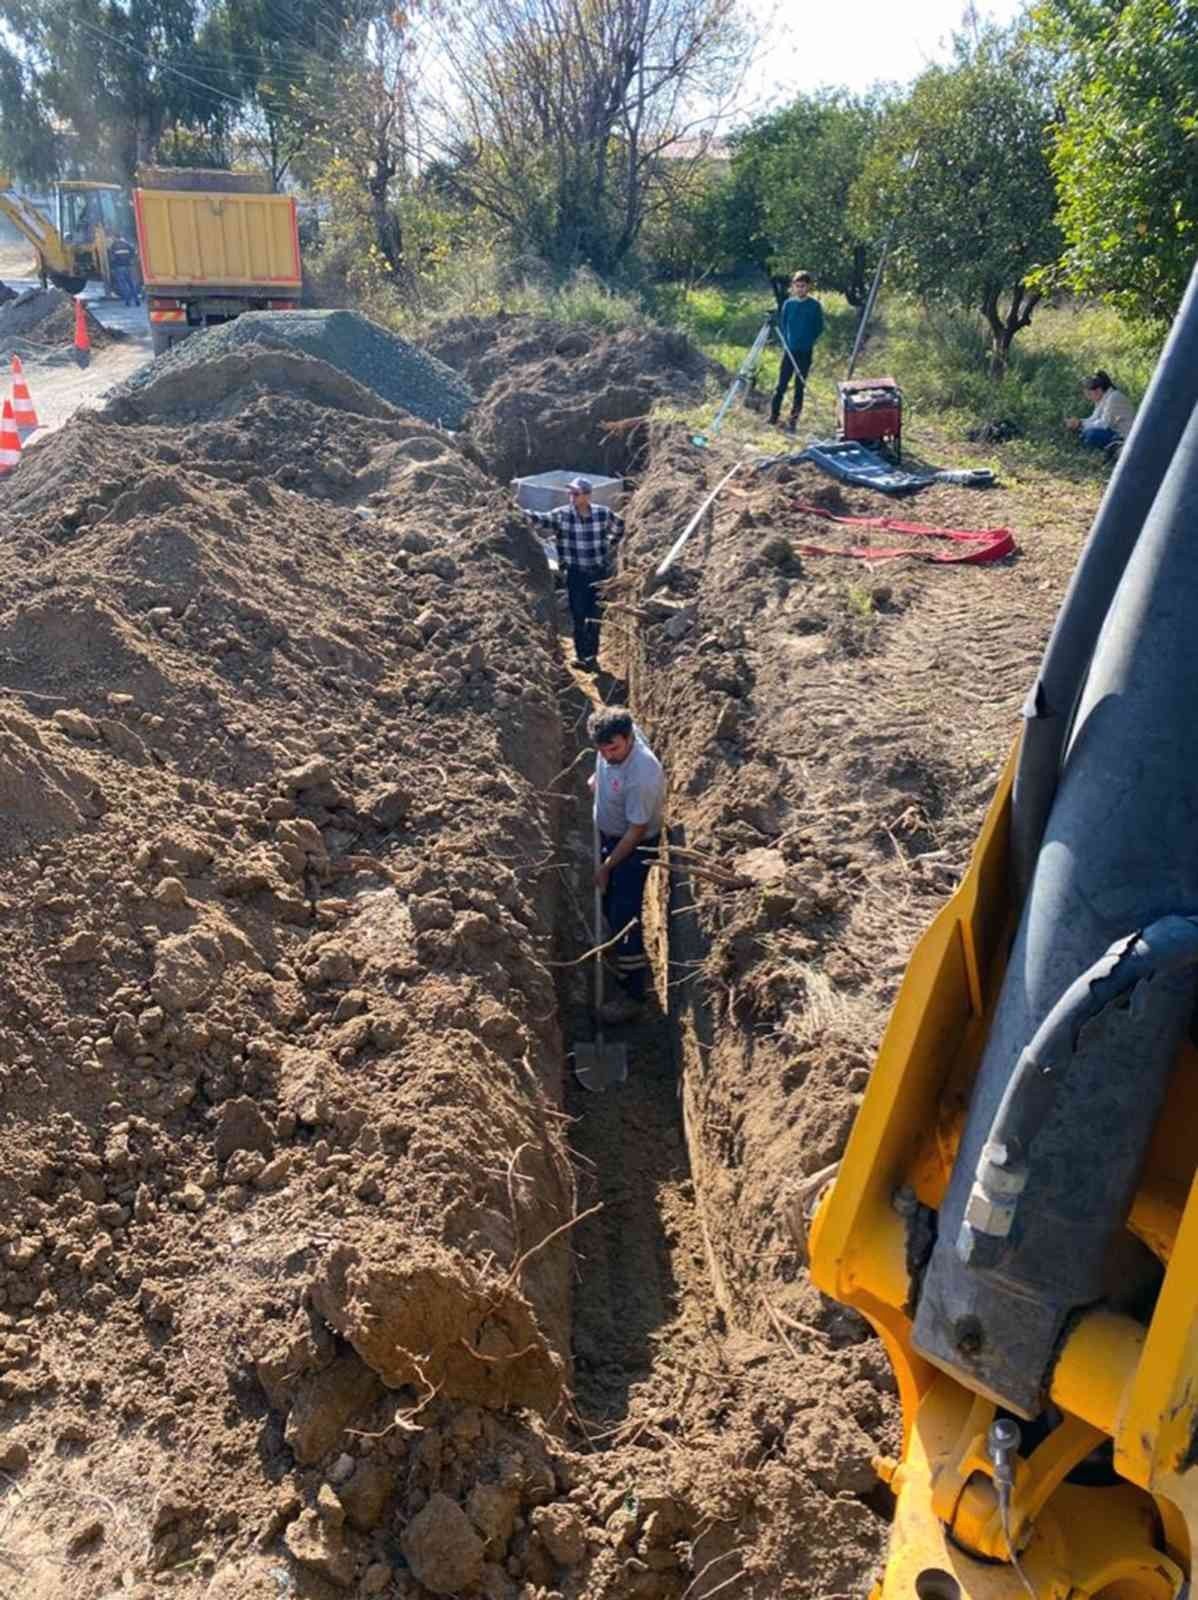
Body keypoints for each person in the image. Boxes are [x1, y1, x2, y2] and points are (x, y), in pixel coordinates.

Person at [589, 706, 666, 1024]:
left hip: (633, 847)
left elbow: (636, 831)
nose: (608, 756)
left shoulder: (644, 774)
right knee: (609, 903)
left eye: (614, 749)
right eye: (602, 750)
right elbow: (604, 765)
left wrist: (607, 866)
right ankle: (617, 950)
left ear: (630, 738)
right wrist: (597, 780)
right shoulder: (612, 745)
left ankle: (633, 993)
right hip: (612, 836)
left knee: (624, 917)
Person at [521, 478, 624, 671]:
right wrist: (517, 511)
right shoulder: (562, 515)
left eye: (575, 494)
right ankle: (581, 656)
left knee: (594, 616)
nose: (571, 497)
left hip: (598, 574)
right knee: (578, 615)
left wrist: (609, 544)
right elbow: (540, 518)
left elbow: (620, 525)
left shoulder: (602, 514)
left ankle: (592, 657)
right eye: (570, 493)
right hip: (575, 574)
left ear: (587, 495)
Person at [771, 270, 824, 432]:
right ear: (793, 287)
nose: (800, 289)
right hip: (789, 350)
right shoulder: (788, 304)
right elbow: (783, 324)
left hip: (805, 352)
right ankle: (773, 416)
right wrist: (787, 342)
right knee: (781, 385)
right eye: (797, 286)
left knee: (799, 386)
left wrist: (807, 340)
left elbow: (818, 328)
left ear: (808, 287)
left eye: (803, 286)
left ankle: (793, 420)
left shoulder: (815, 306)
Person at [1065, 371, 1136, 453]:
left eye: (1089, 394)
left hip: (1124, 438)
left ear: (1098, 390)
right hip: (1114, 433)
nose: (1088, 397)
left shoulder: (1114, 398)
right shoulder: (1103, 399)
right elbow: (1093, 419)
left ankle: (1114, 449)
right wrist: (1078, 422)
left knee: (1091, 434)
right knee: (1084, 433)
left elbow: (1104, 424)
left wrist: (1080, 424)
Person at [108, 235, 140, 308]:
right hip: (128, 267)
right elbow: (134, 253)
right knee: (131, 283)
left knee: (123, 285)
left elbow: (111, 257)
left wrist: (112, 267)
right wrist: (130, 261)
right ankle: (136, 300)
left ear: (115, 238)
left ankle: (128, 300)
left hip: (119, 267)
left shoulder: (114, 245)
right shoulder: (127, 244)